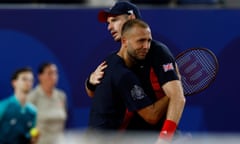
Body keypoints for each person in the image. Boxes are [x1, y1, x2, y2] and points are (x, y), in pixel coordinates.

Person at [85, 1, 185, 143]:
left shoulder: (157, 52)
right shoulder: (116, 63)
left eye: (114, 20)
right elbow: (94, 93)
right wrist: (90, 82)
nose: (109, 27)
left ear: (131, 19)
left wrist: (165, 137)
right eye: (108, 23)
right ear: (125, 42)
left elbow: (177, 97)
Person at [27, 62, 67, 144]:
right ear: (40, 76)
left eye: (55, 73)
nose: (53, 76)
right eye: (49, 73)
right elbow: (28, 125)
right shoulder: (32, 97)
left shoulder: (61, 96)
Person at [0, 67, 38, 144]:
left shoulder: (33, 111)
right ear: (14, 83)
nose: (28, 82)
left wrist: (34, 139)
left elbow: (31, 139)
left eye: (31, 80)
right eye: (24, 79)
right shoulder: (3, 106)